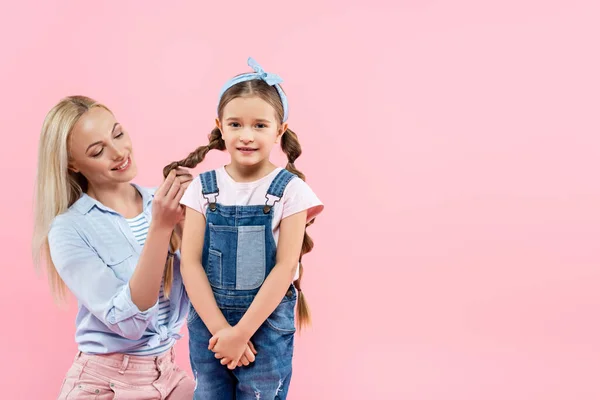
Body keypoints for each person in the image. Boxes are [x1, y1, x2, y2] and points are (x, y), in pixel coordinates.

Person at [164, 57, 324, 399]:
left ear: (279, 130)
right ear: (219, 126)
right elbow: (189, 262)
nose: (246, 136)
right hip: (210, 322)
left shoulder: (291, 190)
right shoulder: (202, 188)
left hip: (266, 325)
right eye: (235, 124)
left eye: (260, 126)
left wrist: (242, 333)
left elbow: (285, 268)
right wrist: (222, 329)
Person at [32, 95, 196, 399]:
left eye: (118, 134)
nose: (119, 152)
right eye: (98, 151)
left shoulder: (163, 204)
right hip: (105, 385)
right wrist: (161, 228)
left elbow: (207, 290)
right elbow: (130, 324)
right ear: (72, 164)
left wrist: (194, 222)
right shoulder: (67, 229)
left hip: (169, 375)